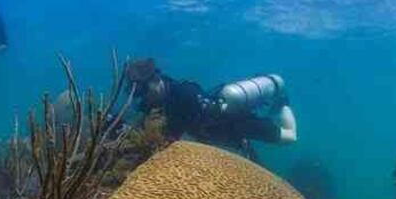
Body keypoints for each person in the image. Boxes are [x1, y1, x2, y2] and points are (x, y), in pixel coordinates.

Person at [122, 57, 297, 151]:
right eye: (138, 93)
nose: (142, 97)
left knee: (289, 137)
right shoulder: (159, 99)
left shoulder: (183, 93)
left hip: (236, 124)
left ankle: (282, 101)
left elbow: (203, 117)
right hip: (218, 137)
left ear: (156, 79)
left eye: (143, 90)